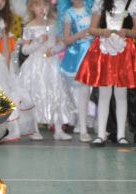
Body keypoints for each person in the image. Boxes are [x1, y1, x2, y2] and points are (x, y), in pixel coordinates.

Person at [76, 0, 136, 147]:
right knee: (104, 94)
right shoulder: (101, 2)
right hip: (104, 51)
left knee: (121, 95)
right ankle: (101, 135)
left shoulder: (132, 3)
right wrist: (102, 32)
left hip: (124, 51)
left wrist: (127, 32)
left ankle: (121, 136)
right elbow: (92, 29)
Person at [18, 0, 76, 140]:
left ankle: (58, 129)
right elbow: (25, 50)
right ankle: (34, 129)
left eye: (44, 5)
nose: (42, 9)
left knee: (56, 92)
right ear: (32, 7)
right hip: (35, 66)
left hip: (52, 64)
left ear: (49, 7)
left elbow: (61, 43)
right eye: (38, 5)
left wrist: (54, 50)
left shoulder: (54, 24)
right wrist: (38, 41)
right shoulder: (29, 27)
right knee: (34, 94)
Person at [0, 0, 41, 143]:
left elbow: (5, 48)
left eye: (2, 0)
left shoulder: (3, 20)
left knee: (4, 92)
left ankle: (7, 129)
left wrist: (6, 65)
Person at [59, 0, 94, 143]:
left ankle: (90, 124)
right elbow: (66, 40)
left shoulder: (91, 9)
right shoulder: (69, 13)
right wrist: (79, 35)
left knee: (91, 92)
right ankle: (82, 127)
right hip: (78, 55)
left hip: (93, 52)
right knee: (81, 91)